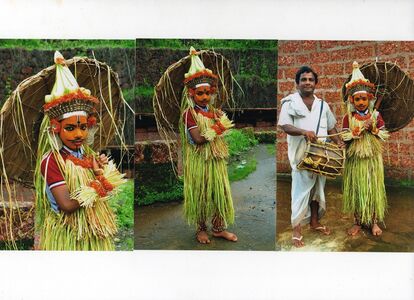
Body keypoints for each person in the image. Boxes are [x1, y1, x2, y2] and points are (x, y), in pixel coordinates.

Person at [35, 51, 126, 250]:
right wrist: (98, 185)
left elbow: (100, 190)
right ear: (55, 129)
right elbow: (67, 205)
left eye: (83, 127)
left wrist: (99, 171)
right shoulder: (52, 160)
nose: (78, 134)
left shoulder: (87, 155)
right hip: (70, 235)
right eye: (70, 128)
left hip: (93, 231)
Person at [278, 66, 344, 247]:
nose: (307, 82)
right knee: (299, 192)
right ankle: (297, 230)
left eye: (311, 80)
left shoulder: (323, 105)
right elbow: (284, 125)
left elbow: (331, 127)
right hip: (301, 156)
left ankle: (314, 222)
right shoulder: (289, 102)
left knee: (318, 189)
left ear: (316, 83)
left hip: (321, 155)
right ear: (297, 83)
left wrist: (338, 142)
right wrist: (303, 131)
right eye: (303, 79)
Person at [180, 47, 237, 244]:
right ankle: (201, 229)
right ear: (191, 94)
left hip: (217, 161)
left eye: (207, 93)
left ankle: (219, 228)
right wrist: (219, 128)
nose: (204, 97)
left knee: (219, 192)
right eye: (200, 93)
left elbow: (221, 133)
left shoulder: (215, 112)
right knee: (202, 194)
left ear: (211, 92)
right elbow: (197, 138)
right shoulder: (189, 114)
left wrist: (220, 123)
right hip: (200, 162)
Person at [341, 61, 389, 236]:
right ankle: (358, 222)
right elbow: (344, 136)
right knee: (356, 189)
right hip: (355, 161)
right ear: (352, 100)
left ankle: (374, 222)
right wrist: (353, 134)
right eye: (357, 99)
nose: (361, 102)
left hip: (372, 161)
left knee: (373, 189)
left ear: (369, 99)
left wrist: (374, 129)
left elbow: (384, 134)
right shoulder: (349, 117)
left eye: (364, 98)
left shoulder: (375, 115)